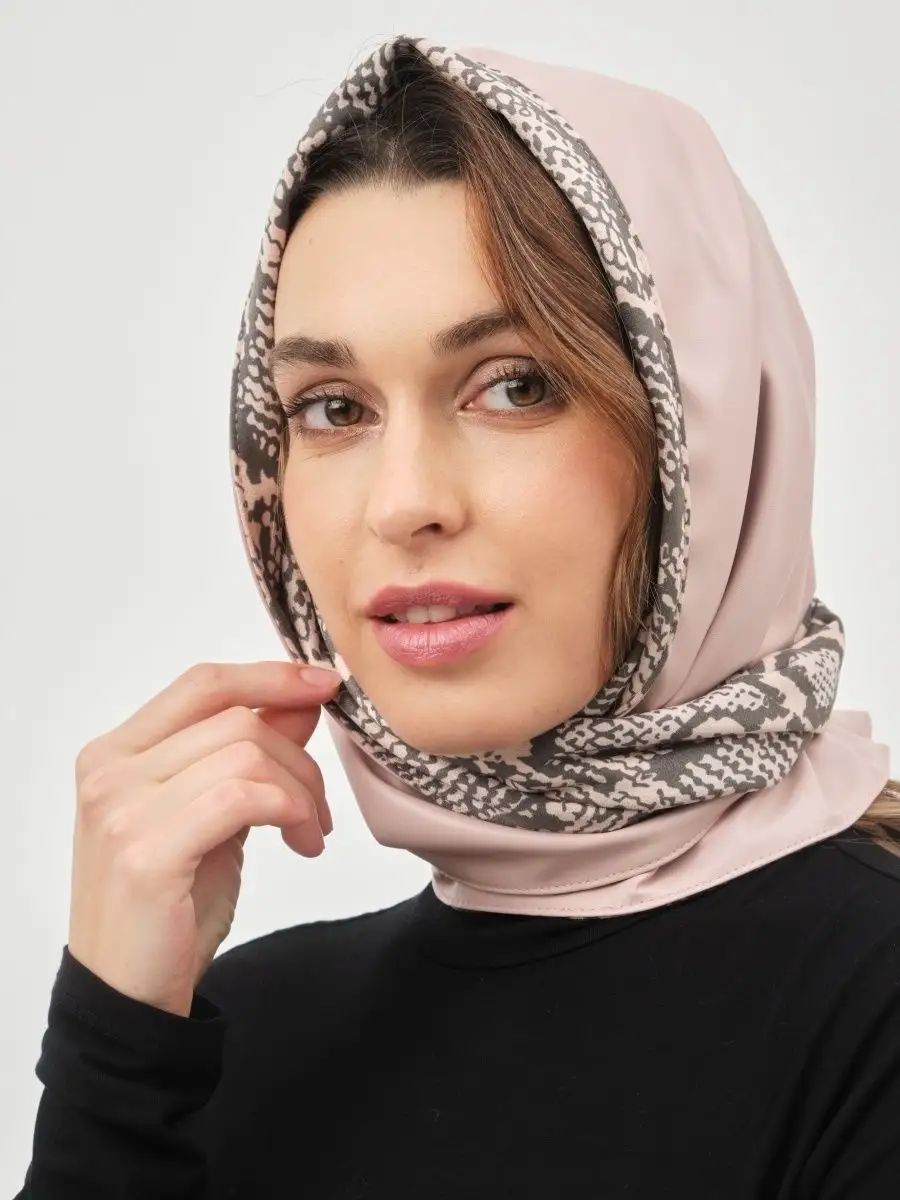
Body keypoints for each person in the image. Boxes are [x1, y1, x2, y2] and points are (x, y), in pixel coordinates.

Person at [14, 34, 900, 1200]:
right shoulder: (231, 1034)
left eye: (514, 386)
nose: (403, 504)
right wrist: (113, 1046)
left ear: (705, 437)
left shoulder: (868, 1004)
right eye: (333, 408)